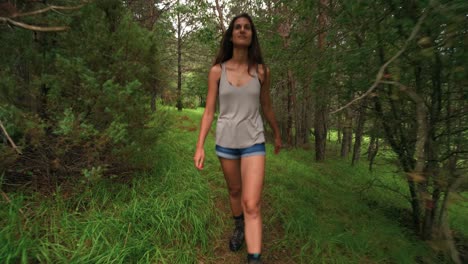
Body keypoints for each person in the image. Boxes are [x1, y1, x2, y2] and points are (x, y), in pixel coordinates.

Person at [193, 13, 281, 264]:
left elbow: (267, 106)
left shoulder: (262, 71)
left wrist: (277, 134)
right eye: (237, 27)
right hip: (226, 142)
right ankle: (239, 226)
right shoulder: (216, 71)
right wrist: (199, 146)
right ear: (231, 35)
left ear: (252, 35)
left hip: (253, 141)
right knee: (234, 190)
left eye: (247, 27)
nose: (242, 30)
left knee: (251, 202)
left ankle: (254, 258)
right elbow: (209, 111)